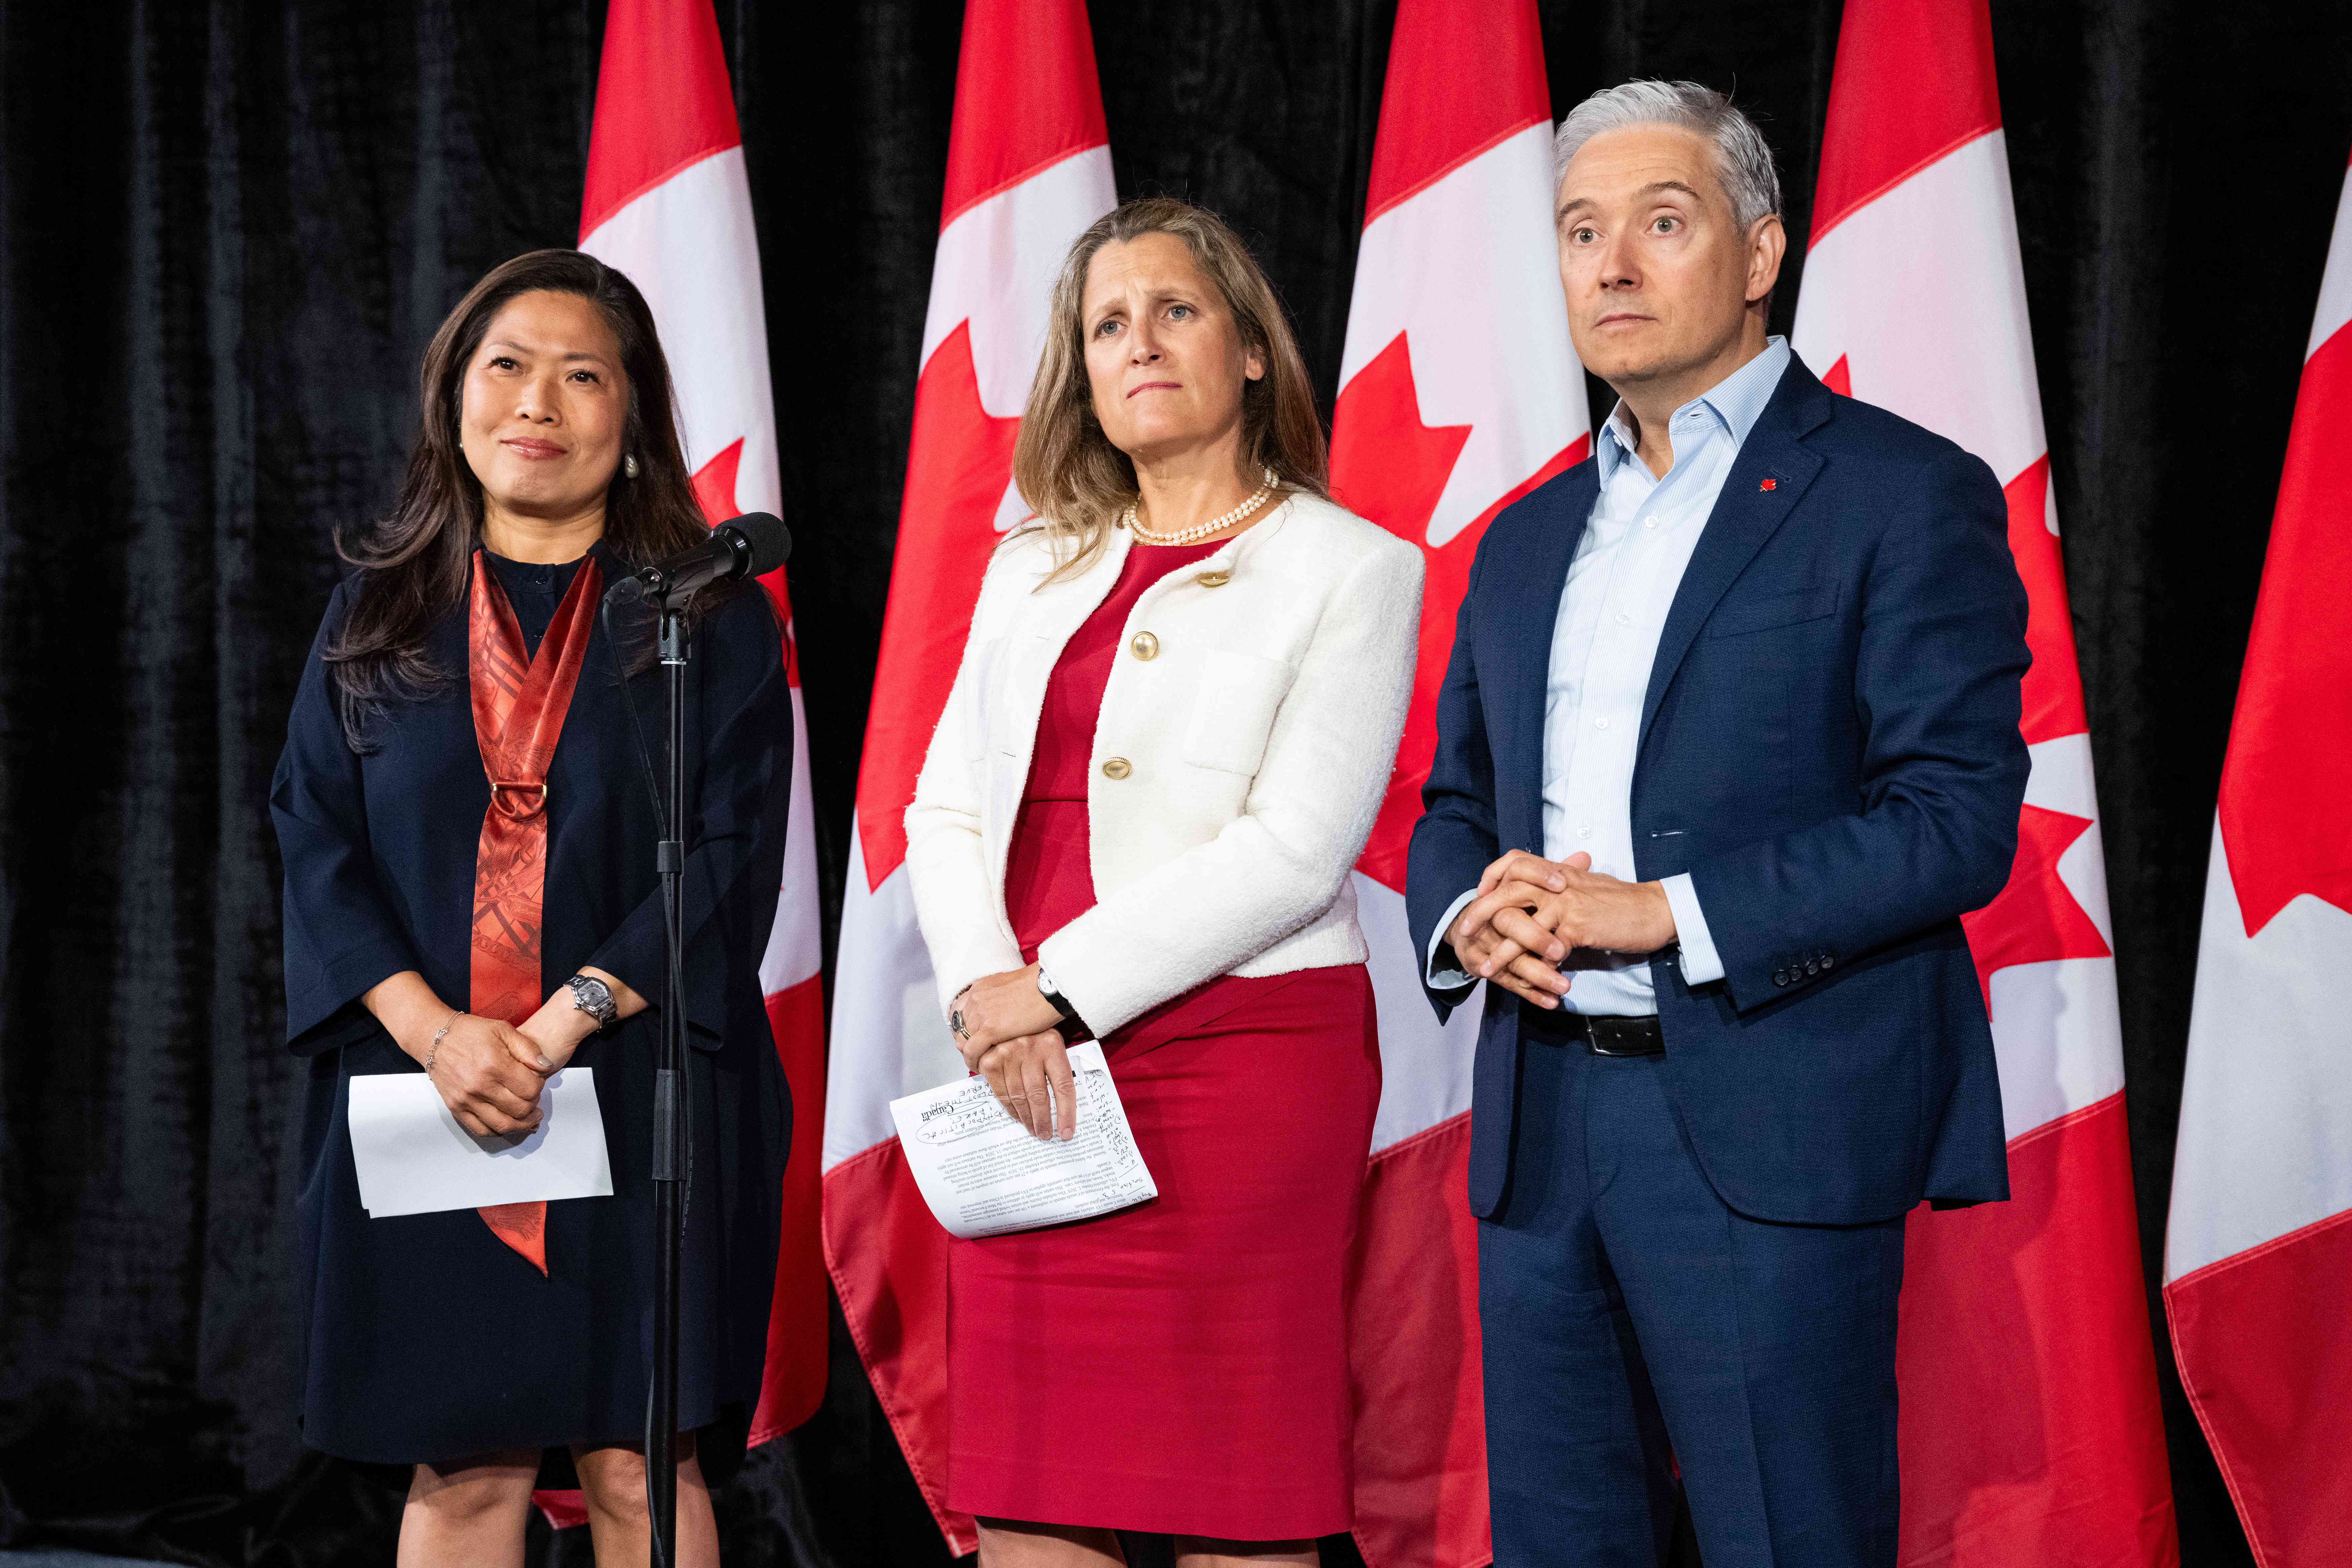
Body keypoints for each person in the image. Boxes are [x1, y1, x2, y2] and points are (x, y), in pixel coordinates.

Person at [1407, 82, 2030, 1566]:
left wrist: (1666, 913)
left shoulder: (1899, 493)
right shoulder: (1522, 534)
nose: (1610, 266)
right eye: (1579, 233)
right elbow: (1453, 803)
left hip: (1768, 1120)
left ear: (1759, 256)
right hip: (1543, 1128)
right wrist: (1464, 913)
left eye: (1659, 224)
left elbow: (1954, 821)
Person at [904, 196, 1423, 1568]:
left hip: (1243, 1065)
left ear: (1251, 348)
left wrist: (1049, 993)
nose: (1140, 343)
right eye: (1107, 325)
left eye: (1175, 311)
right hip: (1024, 1062)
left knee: (1236, 1506)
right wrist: (985, 997)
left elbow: (1295, 848)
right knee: (1028, 1498)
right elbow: (942, 805)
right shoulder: (1028, 567)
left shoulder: (1353, 568)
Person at [269, 249, 793, 1568]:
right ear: (455, 403)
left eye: (582, 374)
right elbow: (312, 838)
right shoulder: (372, 614)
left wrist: (554, 1029)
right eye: (507, 366)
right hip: (424, 1082)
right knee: (461, 1464)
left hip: (635, 1075)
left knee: (638, 1459)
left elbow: (729, 853)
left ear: (631, 423)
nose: (539, 401)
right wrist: (443, 1033)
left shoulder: (711, 622)